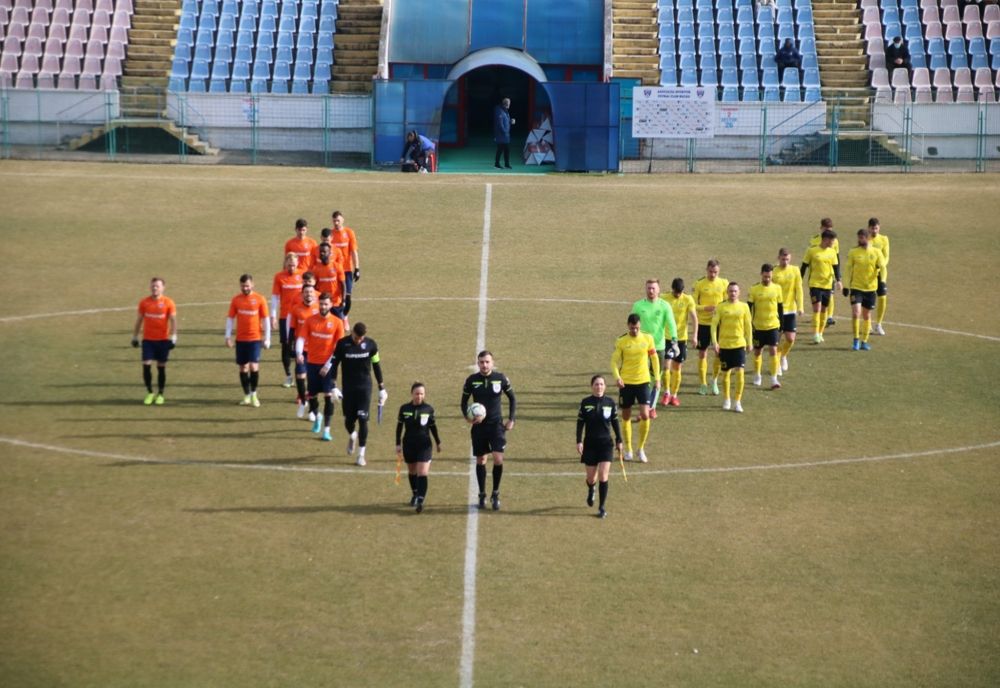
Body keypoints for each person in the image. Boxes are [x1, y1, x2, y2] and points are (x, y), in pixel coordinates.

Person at [461, 350, 516, 510]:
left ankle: (495, 494)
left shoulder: (501, 378)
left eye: (487, 362)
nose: (484, 365)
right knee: (481, 460)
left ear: (492, 363)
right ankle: (482, 494)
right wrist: (467, 417)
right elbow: (463, 402)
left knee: (498, 459)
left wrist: (511, 419)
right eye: (481, 362)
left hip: (496, 426)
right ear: (477, 363)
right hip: (479, 428)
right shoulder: (471, 381)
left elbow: (512, 398)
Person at [326, 321, 387, 467]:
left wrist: (382, 388)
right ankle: (353, 436)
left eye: (361, 338)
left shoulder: (371, 345)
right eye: (356, 337)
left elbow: (376, 365)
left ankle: (361, 455)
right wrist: (333, 386)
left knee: (363, 419)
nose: (358, 340)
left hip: (365, 388)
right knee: (348, 421)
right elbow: (334, 364)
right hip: (348, 388)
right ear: (352, 332)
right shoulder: (342, 344)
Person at [610, 313, 660, 463]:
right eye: (632, 329)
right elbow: (613, 361)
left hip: (643, 381)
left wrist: (657, 378)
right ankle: (629, 449)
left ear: (640, 326)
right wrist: (617, 377)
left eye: (637, 328)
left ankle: (641, 448)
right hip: (626, 383)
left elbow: (654, 358)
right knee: (626, 416)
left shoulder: (648, 338)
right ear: (628, 326)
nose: (635, 331)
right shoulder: (621, 341)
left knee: (645, 414)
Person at [296, 292, 345, 440]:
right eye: (321, 303)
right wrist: (299, 353)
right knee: (312, 395)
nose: (323, 306)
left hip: (328, 366)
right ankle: (318, 416)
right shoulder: (310, 321)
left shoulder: (337, 323)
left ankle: (327, 430)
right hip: (312, 364)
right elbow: (301, 338)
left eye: (326, 304)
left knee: (328, 397)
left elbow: (339, 348)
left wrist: (329, 364)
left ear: (331, 305)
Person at [576, 375, 623, 519]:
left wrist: (619, 440)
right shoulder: (585, 403)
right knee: (591, 478)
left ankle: (602, 507)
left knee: (603, 475)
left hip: (605, 444)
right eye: (596, 384)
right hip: (590, 444)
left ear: (605, 387)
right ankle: (591, 489)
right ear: (592, 386)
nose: (599, 387)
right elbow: (580, 424)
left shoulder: (610, 403)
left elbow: (615, 422)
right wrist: (579, 441)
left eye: (602, 384)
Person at [630, 278, 678, 417]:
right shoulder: (638, 305)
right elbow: (631, 325)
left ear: (658, 290)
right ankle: (644, 405)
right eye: (648, 288)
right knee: (643, 378)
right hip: (641, 347)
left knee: (657, 377)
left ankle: (652, 407)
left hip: (659, 348)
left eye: (653, 288)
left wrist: (674, 341)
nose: (651, 291)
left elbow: (671, 323)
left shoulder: (665, 306)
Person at [396, 382, 441, 513]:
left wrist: (438, 442)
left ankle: (420, 500)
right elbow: (399, 427)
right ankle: (415, 493)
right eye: (417, 393)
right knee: (412, 472)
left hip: (424, 445)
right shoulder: (404, 409)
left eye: (421, 394)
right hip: (409, 444)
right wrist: (398, 444)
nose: (419, 396)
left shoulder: (428, 409)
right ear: (412, 394)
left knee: (422, 473)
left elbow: (433, 427)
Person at [225, 274, 270, 407]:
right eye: (243, 286)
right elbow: (230, 319)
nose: (245, 288)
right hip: (241, 339)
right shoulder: (236, 300)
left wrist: (267, 338)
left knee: (253, 366)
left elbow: (266, 319)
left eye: (247, 285)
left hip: (255, 338)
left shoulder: (260, 299)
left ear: (252, 285)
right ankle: (247, 395)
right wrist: (227, 336)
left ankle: (254, 394)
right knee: (243, 367)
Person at [131, 277, 177, 405]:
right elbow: (139, 320)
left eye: (157, 286)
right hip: (148, 341)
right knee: (146, 365)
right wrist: (134, 337)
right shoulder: (144, 302)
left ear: (163, 288)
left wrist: (174, 338)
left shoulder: (169, 302)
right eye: (153, 286)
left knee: (161, 367)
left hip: (162, 340)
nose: (154, 288)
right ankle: (150, 393)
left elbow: (173, 321)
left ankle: (161, 394)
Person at [711, 282, 754, 413]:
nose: (733, 293)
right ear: (727, 292)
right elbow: (713, 326)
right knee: (726, 375)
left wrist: (749, 342)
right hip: (724, 345)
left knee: (740, 372)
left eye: (735, 291)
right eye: (730, 291)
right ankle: (726, 399)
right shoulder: (721, 307)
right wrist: (715, 342)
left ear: (739, 292)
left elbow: (748, 326)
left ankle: (737, 401)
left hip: (739, 345)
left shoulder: (744, 307)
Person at [843, 228, 886, 351]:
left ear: (867, 238)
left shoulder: (877, 252)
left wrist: (882, 280)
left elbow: (883, 267)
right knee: (856, 312)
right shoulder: (853, 252)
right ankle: (856, 339)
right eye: (859, 238)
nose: (860, 240)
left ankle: (864, 341)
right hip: (856, 288)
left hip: (871, 289)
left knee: (867, 315)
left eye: (862, 238)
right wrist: (846, 286)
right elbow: (847, 269)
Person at [693, 259, 729, 395]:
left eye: (715, 272)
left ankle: (714, 381)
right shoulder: (699, 284)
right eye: (710, 271)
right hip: (703, 324)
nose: (713, 274)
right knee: (702, 353)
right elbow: (693, 305)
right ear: (706, 270)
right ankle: (703, 383)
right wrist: (706, 308)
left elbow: (728, 302)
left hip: (719, 324)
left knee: (718, 353)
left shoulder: (724, 283)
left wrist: (720, 309)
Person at [801, 229, 842, 344]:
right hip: (815, 284)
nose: (833, 242)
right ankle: (815, 334)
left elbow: (836, 267)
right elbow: (804, 266)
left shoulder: (832, 252)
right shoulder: (812, 251)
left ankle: (820, 332)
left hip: (828, 285)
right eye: (832, 240)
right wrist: (799, 280)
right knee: (817, 309)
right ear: (825, 239)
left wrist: (838, 280)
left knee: (824, 310)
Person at [748, 264, 784, 390]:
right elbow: (749, 308)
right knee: (758, 352)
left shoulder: (777, 288)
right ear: (761, 275)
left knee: (773, 350)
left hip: (773, 325)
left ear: (772, 275)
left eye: (769, 276)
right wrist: (748, 325)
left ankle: (774, 378)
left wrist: (782, 325)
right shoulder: (754, 289)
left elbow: (780, 307)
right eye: (765, 276)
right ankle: (757, 375)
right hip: (758, 326)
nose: (767, 279)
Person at [663, 277, 698, 407]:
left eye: (680, 292)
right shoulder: (664, 298)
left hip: (681, 339)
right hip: (667, 337)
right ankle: (666, 393)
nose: (678, 294)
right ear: (672, 289)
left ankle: (674, 395)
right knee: (666, 366)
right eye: (676, 292)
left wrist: (694, 336)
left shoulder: (688, 299)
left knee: (677, 367)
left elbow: (694, 318)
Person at [271, 253, 303, 388]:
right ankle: (288, 375)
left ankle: (299, 374)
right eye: (289, 265)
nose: (291, 267)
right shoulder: (279, 277)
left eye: (294, 265)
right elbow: (275, 297)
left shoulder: (303, 275)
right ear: (286, 264)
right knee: (285, 346)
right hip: (285, 317)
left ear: (298, 263)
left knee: (299, 347)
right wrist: (273, 316)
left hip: (300, 317)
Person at [288, 282, 319, 419]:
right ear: (302, 294)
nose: (309, 294)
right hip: (301, 349)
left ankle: (312, 410)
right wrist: (290, 346)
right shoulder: (296, 309)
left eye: (311, 292)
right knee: (300, 376)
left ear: (314, 294)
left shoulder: (319, 308)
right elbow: (292, 329)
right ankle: (303, 400)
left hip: (315, 350)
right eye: (306, 292)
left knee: (313, 381)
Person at [771, 248, 804, 373]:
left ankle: (783, 356)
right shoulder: (774, 271)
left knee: (790, 339)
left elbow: (799, 289)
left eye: (787, 259)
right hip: (777, 310)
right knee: (777, 339)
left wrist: (800, 306)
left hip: (790, 310)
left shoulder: (795, 270)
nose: (785, 261)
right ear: (778, 258)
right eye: (783, 259)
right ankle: (777, 362)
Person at [809, 218, 840, 327]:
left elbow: (836, 258)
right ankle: (819, 317)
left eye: (830, 229)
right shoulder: (814, 240)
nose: (828, 231)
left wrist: (838, 277)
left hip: (829, 273)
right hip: (815, 273)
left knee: (830, 295)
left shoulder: (835, 241)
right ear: (821, 228)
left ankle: (829, 316)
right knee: (817, 298)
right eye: (826, 229)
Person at [329, 210, 360, 310]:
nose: (336, 223)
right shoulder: (330, 234)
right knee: (336, 295)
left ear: (343, 220)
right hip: (334, 271)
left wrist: (357, 268)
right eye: (334, 221)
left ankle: (345, 317)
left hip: (347, 270)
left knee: (348, 295)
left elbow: (354, 251)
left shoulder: (349, 233)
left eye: (338, 220)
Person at [868, 217, 890, 335]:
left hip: (881, 273)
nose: (874, 230)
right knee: (869, 299)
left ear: (879, 227)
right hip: (868, 274)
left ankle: (878, 324)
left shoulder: (884, 239)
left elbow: (886, 257)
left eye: (876, 228)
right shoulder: (866, 239)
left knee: (882, 298)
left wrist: (880, 265)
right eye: (872, 228)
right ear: (869, 228)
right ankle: (869, 324)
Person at [311, 242, 347, 317]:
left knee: (338, 324)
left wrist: (343, 300)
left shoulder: (337, 267)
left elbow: (343, 284)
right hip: (322, 303)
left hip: (335, 302)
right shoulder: (316, 269)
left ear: (330, 253)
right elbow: (314, 287)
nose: (322, 253)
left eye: (324, 251)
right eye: (320, 252)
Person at [493, 97, 514, 169]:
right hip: (501, 135)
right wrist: (505, 131)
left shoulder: (505, 111)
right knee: (500, 149)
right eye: (509, 103)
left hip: (505, 135)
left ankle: (506, 164)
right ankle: (497, 164)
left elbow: (505, 121)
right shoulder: (500, 111)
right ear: (507, 104)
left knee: (506, 150)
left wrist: (510, 121)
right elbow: (500, 123)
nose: (510, 105)